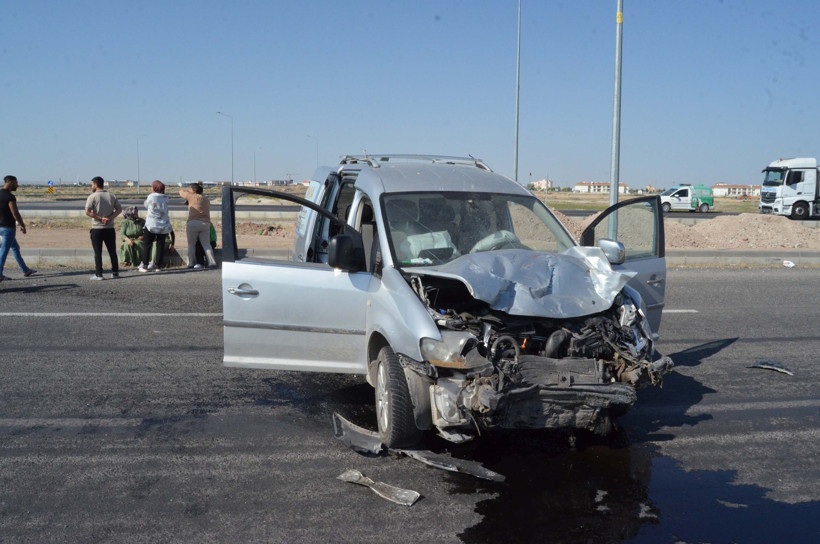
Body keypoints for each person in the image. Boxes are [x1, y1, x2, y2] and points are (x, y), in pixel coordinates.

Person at [0, 175, 37, 281]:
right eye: (16, 183)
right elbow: (15, 212)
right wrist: (22, 225)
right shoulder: (10, 197)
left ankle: (25, 270)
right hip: (8, 229)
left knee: (15, 247)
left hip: (1, 228)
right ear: (10, 182)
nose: (17, 185)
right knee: (4, 251)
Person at [85, 176, 121, 280]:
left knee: (97, 252)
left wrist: (100, 219)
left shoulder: (92, 197)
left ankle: (99, 274)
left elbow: (87, 211)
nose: (91, 186)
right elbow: (119, 210)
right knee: (112, 251)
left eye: (92, 185)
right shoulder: (112, 196)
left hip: (97, 228)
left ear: (96, 185)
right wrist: (109, 218)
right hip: (110, 228)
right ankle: (115, 272)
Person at [179, 182, 217, 269]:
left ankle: (191, 263)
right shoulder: (206, 199)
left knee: (191, 244)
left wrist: (187, 191)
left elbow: (181, 192)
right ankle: (212, 263)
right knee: (206, 244)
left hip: (193, 222)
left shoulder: (192, 196)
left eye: (190, 189)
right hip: (205, 223)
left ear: (194, 190)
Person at [140, 180, 172, 272]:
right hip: (163, 224)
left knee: (147, 245)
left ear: (154, 188)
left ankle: (145, 265)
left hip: (151, 224)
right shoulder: (166, 197)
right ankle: (158, 265)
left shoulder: (151, 196)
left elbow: (146, 205)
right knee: (160, 245)